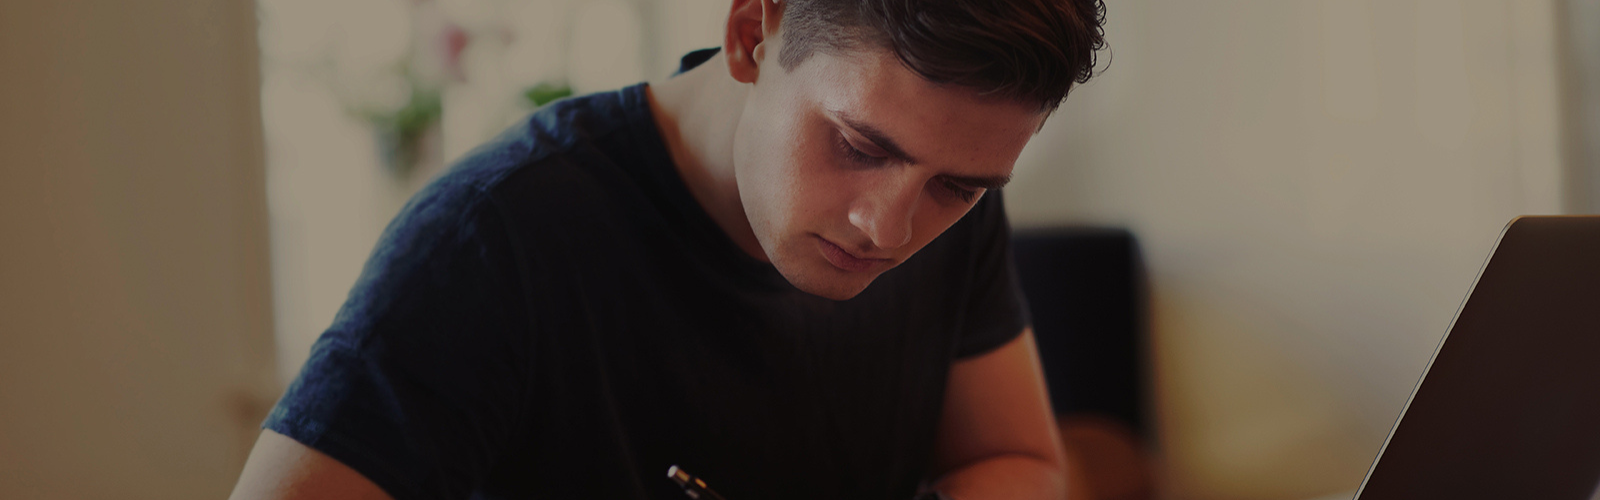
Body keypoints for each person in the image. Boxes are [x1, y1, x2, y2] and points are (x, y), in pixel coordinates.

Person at [229, 0, 1108, 499]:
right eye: (858, 145)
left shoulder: (945, 200)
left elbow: (1015, 460)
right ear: (752, 33)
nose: (890, 228)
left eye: (959, 186)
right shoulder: (492, 239)